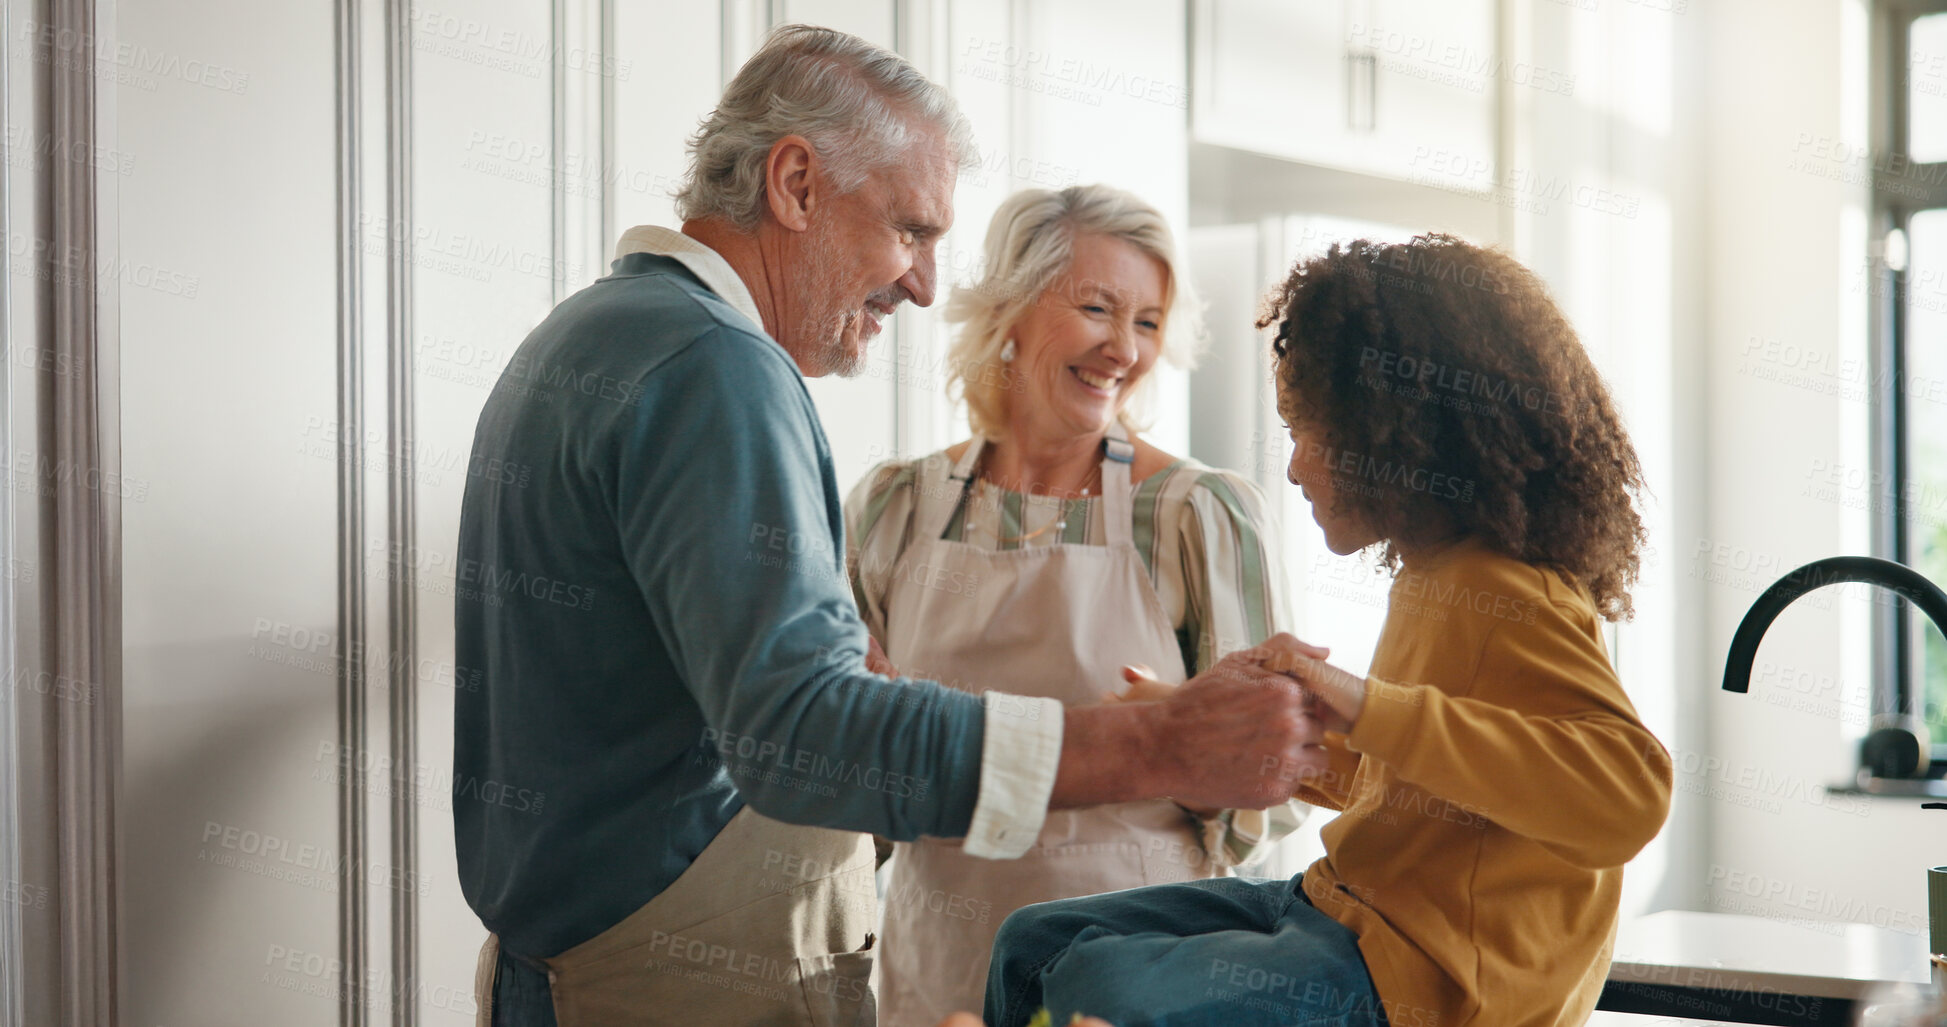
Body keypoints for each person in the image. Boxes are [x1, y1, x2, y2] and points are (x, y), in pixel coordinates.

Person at [452, 25, 1327, 1027]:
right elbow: (804, 731)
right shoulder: (716, 369)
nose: (921, 283)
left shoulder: (596, 334)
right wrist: (1151, 744)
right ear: (794, 185)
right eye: (910, 231)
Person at [983, 234, 1676, 1027]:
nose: (1294, 467)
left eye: (1307, 432)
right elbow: (1433, 787)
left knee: (1107, 990)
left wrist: (1361, 701)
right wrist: (1217, 726)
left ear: (1394, 435)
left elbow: (1629, 794)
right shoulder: (1433, 573)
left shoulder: (1507, 590)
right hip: (1343, 906)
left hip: (1425, 970)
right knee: (1030, 943)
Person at [845, 184, 1308, 1024]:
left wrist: (1194, 750)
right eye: (1097, 308)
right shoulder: (896, 507)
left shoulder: (1195, 513)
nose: (1122, 350)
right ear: (1010, 311)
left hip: (1127, 969)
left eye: (1147, 322)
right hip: (937, 958)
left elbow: (1269, 785)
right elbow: (846, 763)